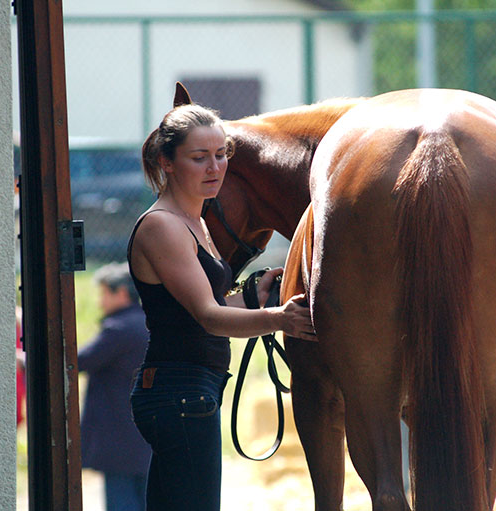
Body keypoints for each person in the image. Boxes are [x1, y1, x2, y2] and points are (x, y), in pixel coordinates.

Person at [127, 97, 316, 510]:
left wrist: (252, 297)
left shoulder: (194, 221)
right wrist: (279, 318)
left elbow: (202, 303)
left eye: (220, 154)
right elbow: (209, 317)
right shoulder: (164, 226)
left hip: (188, 390)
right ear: (167, 161)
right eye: (199, 158)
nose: (214, 168)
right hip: (179, 392)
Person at [77, 263, 151, 511]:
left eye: (104, 294)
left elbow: (80, 361)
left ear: (121, 293)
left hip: (120, 439)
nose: (100, 302)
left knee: (122, 502)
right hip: (146, 434)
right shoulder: (147, 323)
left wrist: (27, 360)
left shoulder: (119, 329)